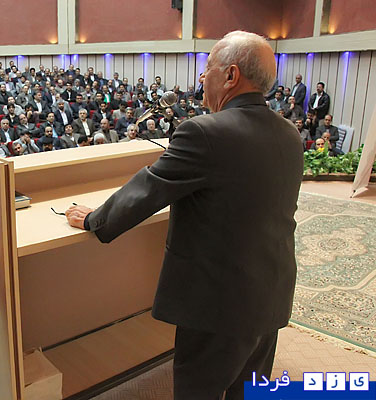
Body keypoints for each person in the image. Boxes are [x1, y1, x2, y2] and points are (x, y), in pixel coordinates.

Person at [65, 31, 303, 400]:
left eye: (208, 68)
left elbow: (149, 188)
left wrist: (94, 219)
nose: (201, 78)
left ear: (231, 75)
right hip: (269, 296)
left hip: (218, 307)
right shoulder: (289, 133)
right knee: (248, 390)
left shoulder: (205, 133)